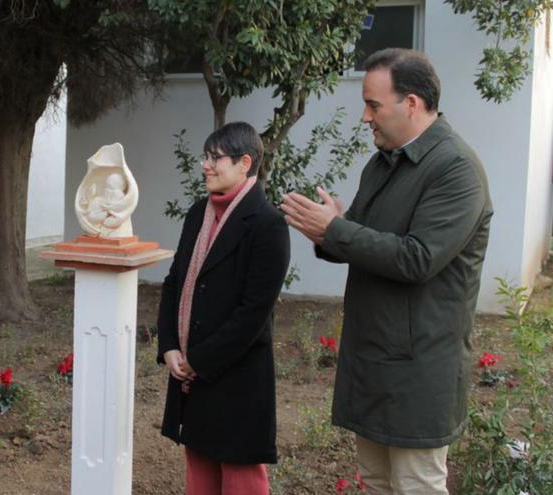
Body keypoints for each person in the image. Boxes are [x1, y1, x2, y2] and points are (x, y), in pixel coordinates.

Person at [281, 48, 493, 494]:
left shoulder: (456, 170)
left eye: (373, 104)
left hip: (420, 372)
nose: (365, 117)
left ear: (411, 103)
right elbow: (360, 244)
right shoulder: (382, 163)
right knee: (376, 483)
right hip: (374, 363)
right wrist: (330, 231)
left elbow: (416, 259)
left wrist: (337, 230)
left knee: (416, 486)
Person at [156, 122, 290, 495]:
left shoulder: (267, 224)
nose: (206, 166)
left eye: (216, 158)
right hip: (189, 373)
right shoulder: (199, 213)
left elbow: (253, 313)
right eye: (205, 157)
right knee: (199, 473)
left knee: (241, 478)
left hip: (236, 377)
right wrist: (169, 346)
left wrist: (198, 360)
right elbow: (174, 282)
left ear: (245, 163)